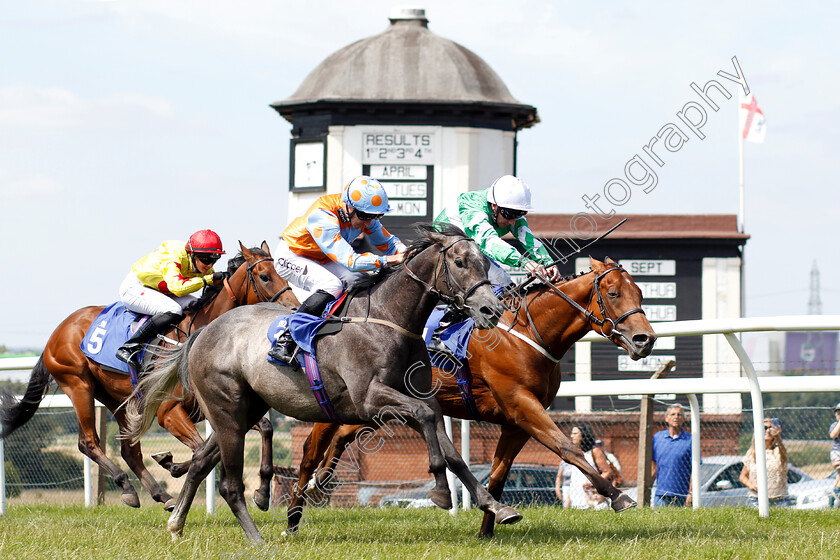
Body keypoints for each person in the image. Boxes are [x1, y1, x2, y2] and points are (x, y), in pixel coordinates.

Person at [270, 175, 406, 363]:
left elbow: (390, 244)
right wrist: (390, 260)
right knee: (332, 285)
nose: (369, 222)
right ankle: (287, 338)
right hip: (291, 255)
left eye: (376, 216)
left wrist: (410, 253)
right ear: (348, 207)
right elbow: (350, 261)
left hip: (321, 257)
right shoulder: (323, 216)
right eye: (365, 216)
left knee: (357, 280)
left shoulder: (362, 214)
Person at [429, 175, 561, 352]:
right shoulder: (473, 207)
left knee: (505, 285)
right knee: (501, 279)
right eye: (509, 215)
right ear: (494, 206)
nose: (513, 221)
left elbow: (527, 238)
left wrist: (547, 262)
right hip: (448, 247)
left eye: (520, 214)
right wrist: (524, 262)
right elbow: (488, 241)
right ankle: (441, 334)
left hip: (470, 246)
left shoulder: (509, 210)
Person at [116, 229, 226, 369]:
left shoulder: (203, 264)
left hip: (161, 290)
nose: (210, 265)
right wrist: (208, 280)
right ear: (192, 254)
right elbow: (178, 288)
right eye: (206, 259)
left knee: (197, 305)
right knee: (173, 309)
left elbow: (212, 283)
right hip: (136, 287)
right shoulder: (173, 254)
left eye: (214, 259)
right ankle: (130, 346)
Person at [555, 423, 616, 509]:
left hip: (592, 499)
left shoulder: (594, 452)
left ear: (583, 435)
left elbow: (607, 472)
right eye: (571, 433)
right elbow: (573, 479)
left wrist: (593, 483)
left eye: (575, 433)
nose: (572, 436)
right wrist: (567, 505)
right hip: (575, 501)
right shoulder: (574, 453)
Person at [739, 417, 790, 508]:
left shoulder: (779, 451)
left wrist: (777, 436)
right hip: (756, 499)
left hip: (779, 499)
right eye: (764, 428)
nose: (767, 431)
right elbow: (743, 476)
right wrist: (751, 485)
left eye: (770, 428)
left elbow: (783, 455)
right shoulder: (752, 453)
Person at [651, 403, 693, 507]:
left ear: (683, 418)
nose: (676, 417)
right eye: (673, 414)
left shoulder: (690, 440)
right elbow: (653, 466)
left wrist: (691, 493)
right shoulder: (658, 438)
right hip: (661, 494)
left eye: (679, 415)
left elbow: (694, 470)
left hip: (682, 495)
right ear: (666, 418)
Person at [828, 404, 840, 494]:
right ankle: (835, 489)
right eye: (838, 414)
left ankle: (835, 489)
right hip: (837, 452)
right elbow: (833, 435)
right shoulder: (835, 425)